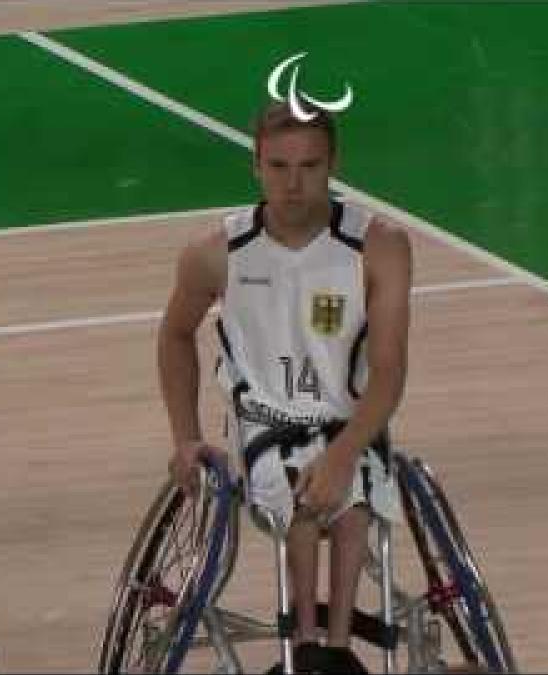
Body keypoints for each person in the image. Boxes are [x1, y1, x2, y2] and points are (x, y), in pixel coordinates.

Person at [158, 101, 412, 673]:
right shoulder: (214, 252)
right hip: (266, 429)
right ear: (255, 165)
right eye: (278, 167)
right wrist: (185, 437)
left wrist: (345, 455)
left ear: (333, 164)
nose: (293, 184)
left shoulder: (381, 245)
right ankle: (304, 645)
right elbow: (175, 335)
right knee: (300, 503)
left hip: (353, 425)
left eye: (309, 166)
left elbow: (390, 371)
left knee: (351, 506)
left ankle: (337, 652)